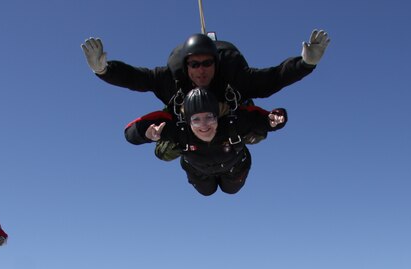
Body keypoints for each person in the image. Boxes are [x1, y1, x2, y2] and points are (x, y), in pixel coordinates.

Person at [81, 30, 330, 112]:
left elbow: (275, 77)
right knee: (204, 185)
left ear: (216, 64)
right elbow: (137, 78)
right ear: (186, 65)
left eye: (207, 63)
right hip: (194, 139)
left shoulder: (236, 77)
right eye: (195, 64)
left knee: (231, 183)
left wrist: (305, 63)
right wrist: (103, 70)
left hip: (228, 132)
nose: (201, 70)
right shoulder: (170, 80)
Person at [124, 88, 287, 196]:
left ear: (218, 115)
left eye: (209, 117)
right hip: (198, 169)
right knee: (206, 191)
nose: (203, 125)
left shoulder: (233, 121)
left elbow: (264, 119)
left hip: (233, 165)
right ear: (187, 119)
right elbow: (133, 133)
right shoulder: (178, 127)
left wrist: (275, 120)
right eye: (196, 119)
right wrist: (146, 134)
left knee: (231, 189)